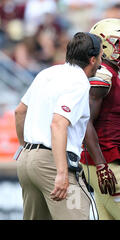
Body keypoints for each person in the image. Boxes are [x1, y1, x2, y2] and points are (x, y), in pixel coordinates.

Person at [14, 32, 103, 220]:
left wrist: (25, 149)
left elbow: (19, 112)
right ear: (92, 59)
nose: (101, 62)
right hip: (54, 164)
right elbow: (58, 124)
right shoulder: (79, 82)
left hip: (27, 161)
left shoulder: (47, 73)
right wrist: (62, 172)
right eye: (101, 57)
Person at [80, 18, 120, 220]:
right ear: (104, 45)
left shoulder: (118, 72)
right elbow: (85, 120)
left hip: (114, 157)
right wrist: (101, 165)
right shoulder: (103, 74)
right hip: (106, 157)